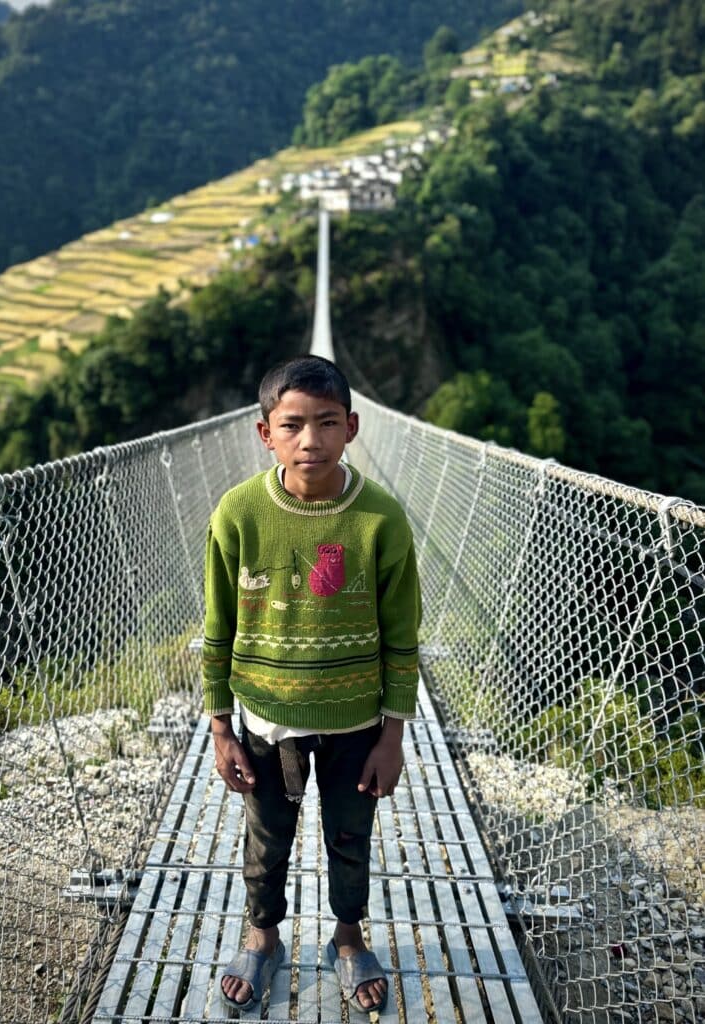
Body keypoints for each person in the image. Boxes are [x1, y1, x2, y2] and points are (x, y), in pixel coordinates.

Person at [202, 354, 421, 1013]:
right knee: (265, 840)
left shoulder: (380, 517)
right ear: (264, 433)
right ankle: (262, 936)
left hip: (358, 722)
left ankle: (348, 938)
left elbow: (401, 634)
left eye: (327, 423)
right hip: (267, 722)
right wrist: (219, 728)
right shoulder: (237, 513)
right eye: (292, 425)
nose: (310, 441)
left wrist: (393, 733)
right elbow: (216, 627)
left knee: (350, 838)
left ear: (352, 428)